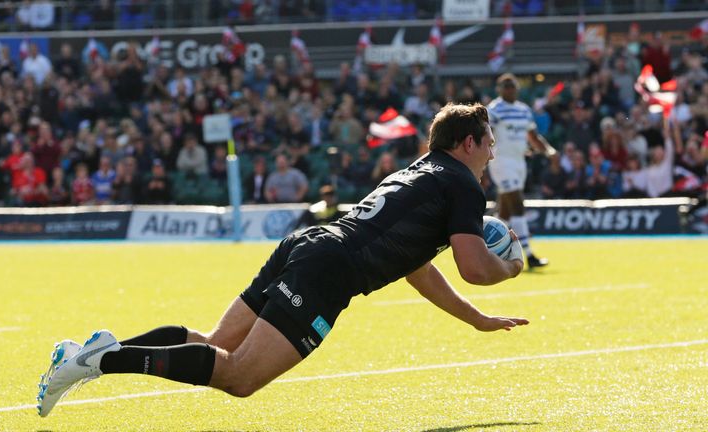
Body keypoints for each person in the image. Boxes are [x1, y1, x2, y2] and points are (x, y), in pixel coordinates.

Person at [36, 103, 527, 417]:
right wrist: (512, 265)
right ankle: (105, 357)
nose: (492, 150)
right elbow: (474, 267)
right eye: (488, 141)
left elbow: (417, 270)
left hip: (308, 244)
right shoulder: (463, 183)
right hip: (329, 271)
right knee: (240, 376)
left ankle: (95, 351)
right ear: (468, 143)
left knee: (213, 342)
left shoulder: (418, 172)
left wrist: (476, 319)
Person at [486, 73, 556, 269]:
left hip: (519, 163)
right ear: (499, 89)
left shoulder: (523, 110)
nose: (510, 89)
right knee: (517, 204)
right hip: (501, 162)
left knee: (506, 212)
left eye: (512, 86)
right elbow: (486, 136)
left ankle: (488, 251)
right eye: (506, 86)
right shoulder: (494, 109)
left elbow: (533, 136)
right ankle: (529, 254)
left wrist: (550, 152)